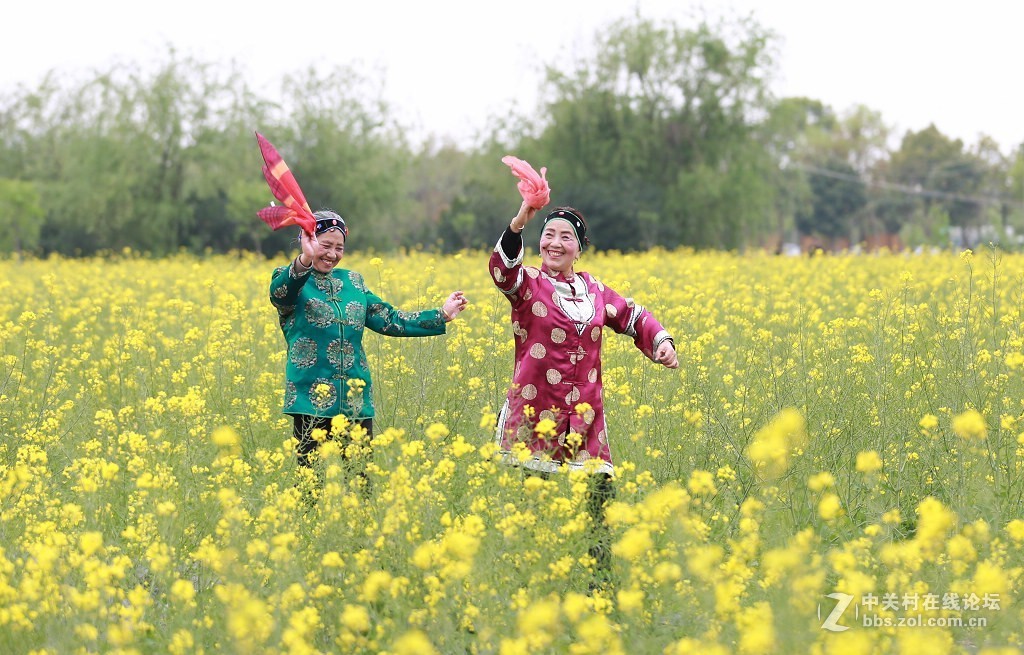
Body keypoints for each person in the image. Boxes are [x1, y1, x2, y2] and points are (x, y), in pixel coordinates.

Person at [489, 200, 678, 585]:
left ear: (579, 248)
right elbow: (502, 271)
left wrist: (662, 342)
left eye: (566, 237)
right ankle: (528, 587)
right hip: (535, 414)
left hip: (585, 418)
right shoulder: (528, 285)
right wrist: (520, 220)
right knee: (531, 512)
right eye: (549, 235)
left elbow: (634, 315)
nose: (555, 243)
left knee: (599, 505)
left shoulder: (595, 291)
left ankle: (601, 591)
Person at [270, 210, 468, 469]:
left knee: (360, 480)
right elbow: (280, 296)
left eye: (339, 248)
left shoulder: (353, 281)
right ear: (307, 241)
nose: (332, 254)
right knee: (310, 481)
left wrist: (441, 315)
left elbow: (389, 319)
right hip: (310, 400)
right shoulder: (291, 279)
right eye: (325, 245)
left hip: (355, 399)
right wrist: (305, 259)